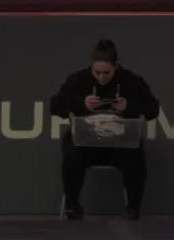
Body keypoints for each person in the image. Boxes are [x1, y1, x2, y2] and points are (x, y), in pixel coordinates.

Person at [49, 39, 160, 220]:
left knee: (135, 150)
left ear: (116, 65)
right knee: (71, 148)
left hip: (120, 144)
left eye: (106, 72)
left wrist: (128, 106)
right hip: (86, 143)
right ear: (91, 65)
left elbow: (153, 110)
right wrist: (81, 103)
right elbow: (54, 106)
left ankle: (133, 207)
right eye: (97, 72)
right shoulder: (78, 80)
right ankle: (72, 206)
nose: (101, 78)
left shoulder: (132, 81)